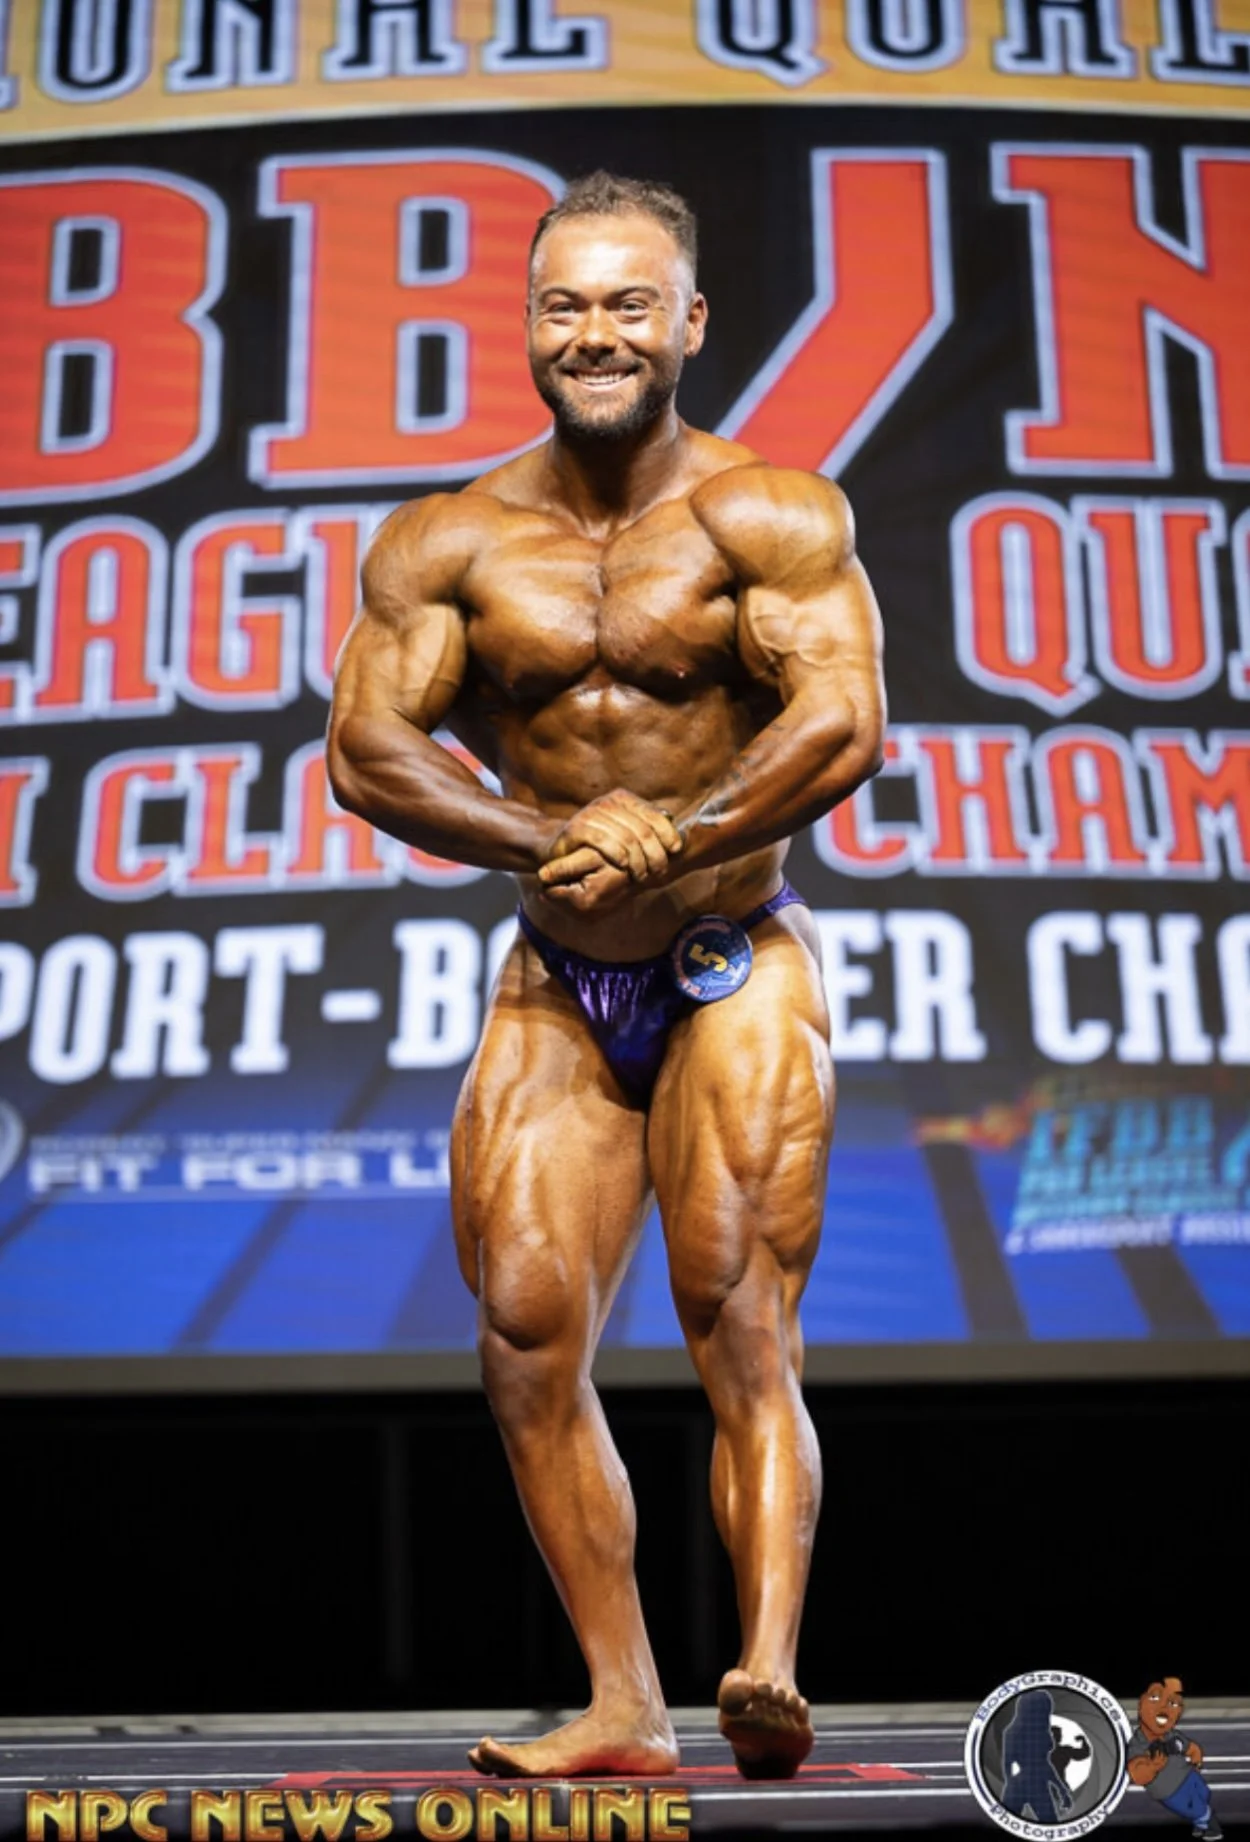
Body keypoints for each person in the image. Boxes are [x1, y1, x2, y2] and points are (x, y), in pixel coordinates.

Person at [328, 171, 886, 1781]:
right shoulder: (447, 540)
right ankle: (625, 1701)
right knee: (521, 1334)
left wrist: (673, 839)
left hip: (729, 961)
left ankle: (764, 1663)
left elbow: (840, 721)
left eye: (629, 303)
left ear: (688, 323)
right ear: (527, 325)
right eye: (563, 304)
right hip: (557, 976)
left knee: (735, 1312)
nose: (595, 333)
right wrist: (549, 835)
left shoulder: (768, 514)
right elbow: (364, 748)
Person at [1128, 1678, 1223, 1839]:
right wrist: (1153, 1767)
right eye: (1155, 1697)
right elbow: (1137, 1773)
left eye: (1173, 1703)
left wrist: (1195, 1755)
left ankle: (1200, 1824)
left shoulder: (1171, 1735)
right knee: (1194, 1809)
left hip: (1188, 1774)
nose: (1164, 1707)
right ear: (1141, 1704)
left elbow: (1188, 1746)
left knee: (1203, 1793)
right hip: (1168, 1789)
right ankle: (1209, 1823)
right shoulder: (1137, 1744)